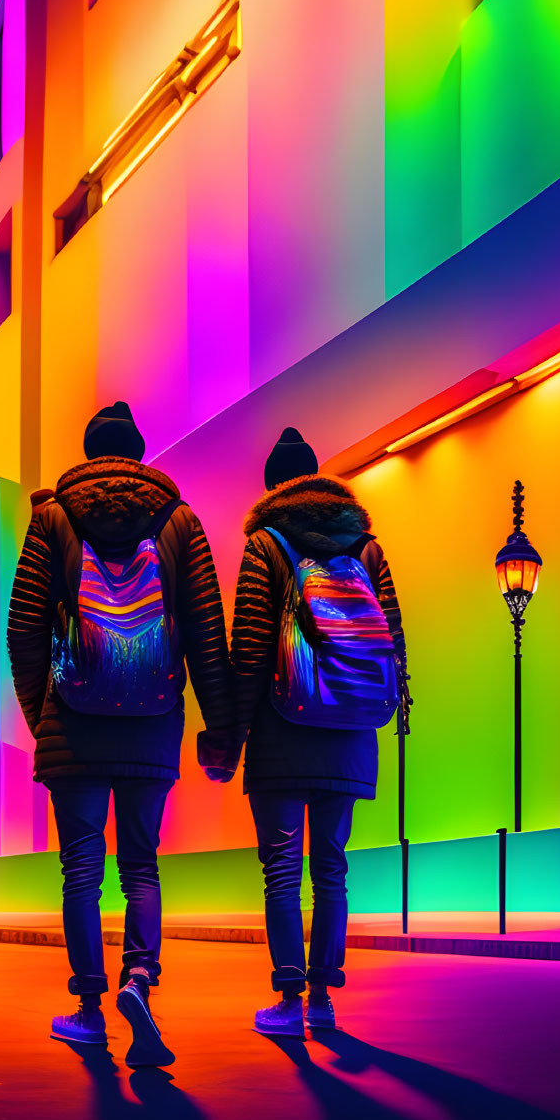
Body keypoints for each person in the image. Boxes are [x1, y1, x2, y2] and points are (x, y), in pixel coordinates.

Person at [7, 401, 230, 1067]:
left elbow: (23, 629)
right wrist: (219, 728)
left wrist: (39, 711)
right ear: (137, 456)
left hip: (72, 722)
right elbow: (206, 635)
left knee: (81, 870)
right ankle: (140, 979)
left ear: (87, 454)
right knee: (140, 864)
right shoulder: (178, 521)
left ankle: (87, 1009)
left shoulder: (52, 517)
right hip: (153, 718)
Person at [199, 428, 407, 1040]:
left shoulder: (266, 544)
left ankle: (289, 997)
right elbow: (391, 637)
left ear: (272, 489)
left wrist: (231, 736)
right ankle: (323, 997)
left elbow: (253, 646)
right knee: (332, 867)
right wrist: (386, 712)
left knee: (283, 870)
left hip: (281, 731)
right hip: (350, 731)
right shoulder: (366, 547)